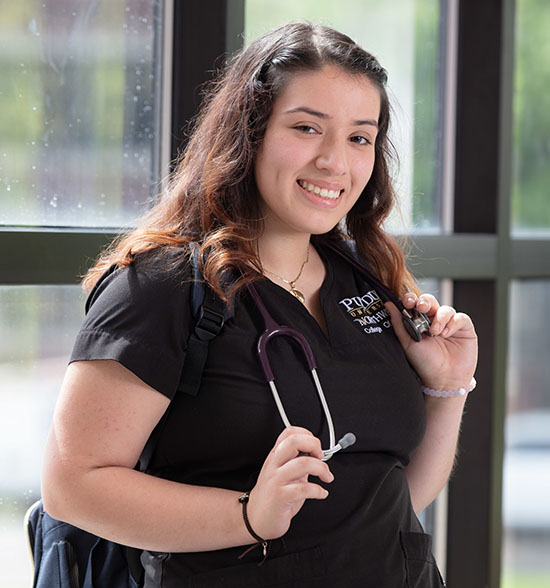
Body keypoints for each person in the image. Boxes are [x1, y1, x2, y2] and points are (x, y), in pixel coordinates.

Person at [42, 22, 478, 588]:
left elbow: (389, 494)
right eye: (306, 128)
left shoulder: (367, 279)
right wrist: (249, 516)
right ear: (249, 133)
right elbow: (73, 485)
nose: (334, 162)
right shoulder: (165, 286)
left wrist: (447, 391)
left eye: (359, 137)